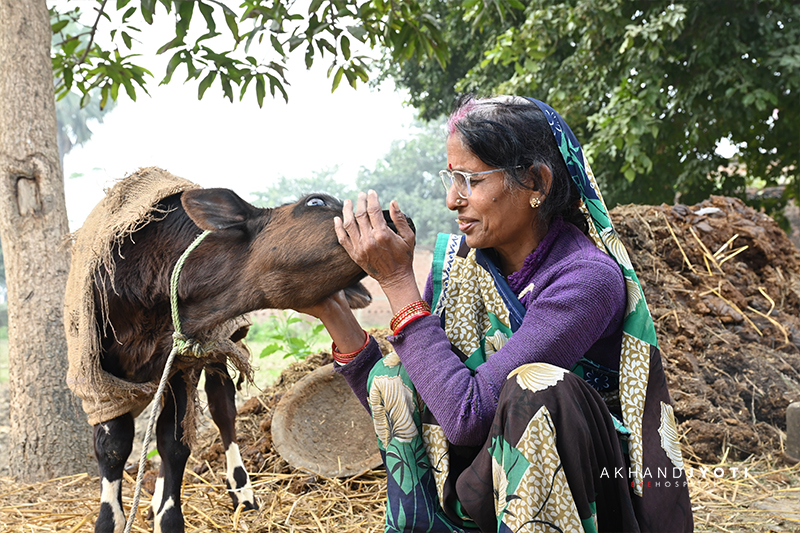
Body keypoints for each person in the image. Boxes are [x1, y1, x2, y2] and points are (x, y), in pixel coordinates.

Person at [298, 95, 693, 533]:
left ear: (536, 184)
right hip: (482, 495)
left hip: (587, 500)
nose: (452, 200)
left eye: (469, 180)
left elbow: (469, 416)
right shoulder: (462, 266)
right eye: (451, 178)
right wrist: (333, 313)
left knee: (538, 390)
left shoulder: (585, 280)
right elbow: (418, 396)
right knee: (395, 372)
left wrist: (396, 284)